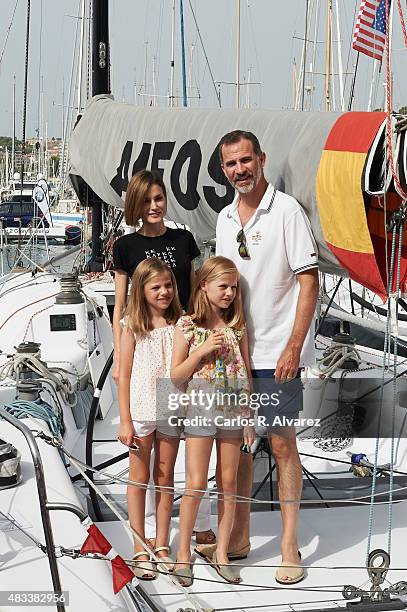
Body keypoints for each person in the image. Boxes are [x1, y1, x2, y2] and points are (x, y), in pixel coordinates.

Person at [198, 130, 319, 585]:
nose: (239, 170)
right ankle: (241, 535)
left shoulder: (286, 211)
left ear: (261, 159)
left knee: (283, 445)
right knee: (239, 448)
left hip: (276, 353)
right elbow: (221, 284)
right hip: (234, 355)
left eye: (245, 161)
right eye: (230, 164)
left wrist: (293, 346)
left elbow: (309, 281)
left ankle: (289, 545)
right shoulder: (226, 218)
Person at [112, 169, 215, 547]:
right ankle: (144, 540)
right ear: (135, 204)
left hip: (180, 340)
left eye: (159, 198)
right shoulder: (125, 246)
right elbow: (122, 303)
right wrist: (118, 348)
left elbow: (191, 294)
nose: (154, 206)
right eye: (147, 200)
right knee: (144, 472)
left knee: (175, 464)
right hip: (141, 361)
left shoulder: (183, 239)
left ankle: (185, 531)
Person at [170, 256, 255, 586]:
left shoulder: (237, 327)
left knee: (229, 484)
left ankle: (221, 553)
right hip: (201, 412)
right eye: (223, 286)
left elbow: (245, 372)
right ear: (204, 286)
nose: (230, 293)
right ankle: (182, 555)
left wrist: (249, 418)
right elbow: (176, 375)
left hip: (233, 414)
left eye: (234, 287)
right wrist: (201, 351)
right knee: (195, 484)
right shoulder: (188, 326)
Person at [118, 257, 182, 579]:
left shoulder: (181, 323)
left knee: (165, 476)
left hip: (171, 408)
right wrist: (125, 420)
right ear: (141, 291)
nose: (164, 292)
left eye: (168, 285)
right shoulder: (132, 324)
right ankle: (139, 544)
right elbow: (125, 375)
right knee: (139, 477)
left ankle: (162, 543)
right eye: (155, 287)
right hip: (142, 409)